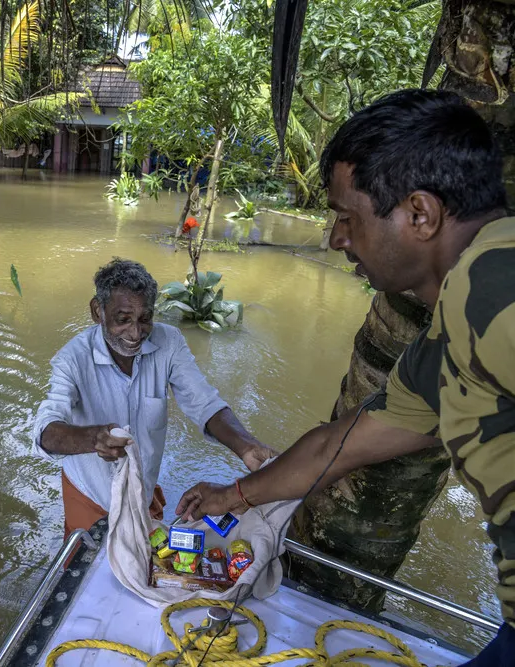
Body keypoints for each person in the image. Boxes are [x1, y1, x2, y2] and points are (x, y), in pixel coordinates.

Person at [174, 89, 514, 664]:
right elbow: (338, 445)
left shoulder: (495, 287)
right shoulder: (445, 340)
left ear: (420, 214)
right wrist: (232, 495)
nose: (335, 238)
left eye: (347, 217)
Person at [33, 258, 276, 537]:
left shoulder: (169, 342)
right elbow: (45, 429)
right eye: (123, 319)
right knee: (84, 569)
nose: (136, 333)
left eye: (145, 318)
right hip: (89, 495)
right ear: (97, 310)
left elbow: (205, 403)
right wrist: (92, 438)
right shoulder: (72, 359)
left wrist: (246, 446)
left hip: (142, 493)